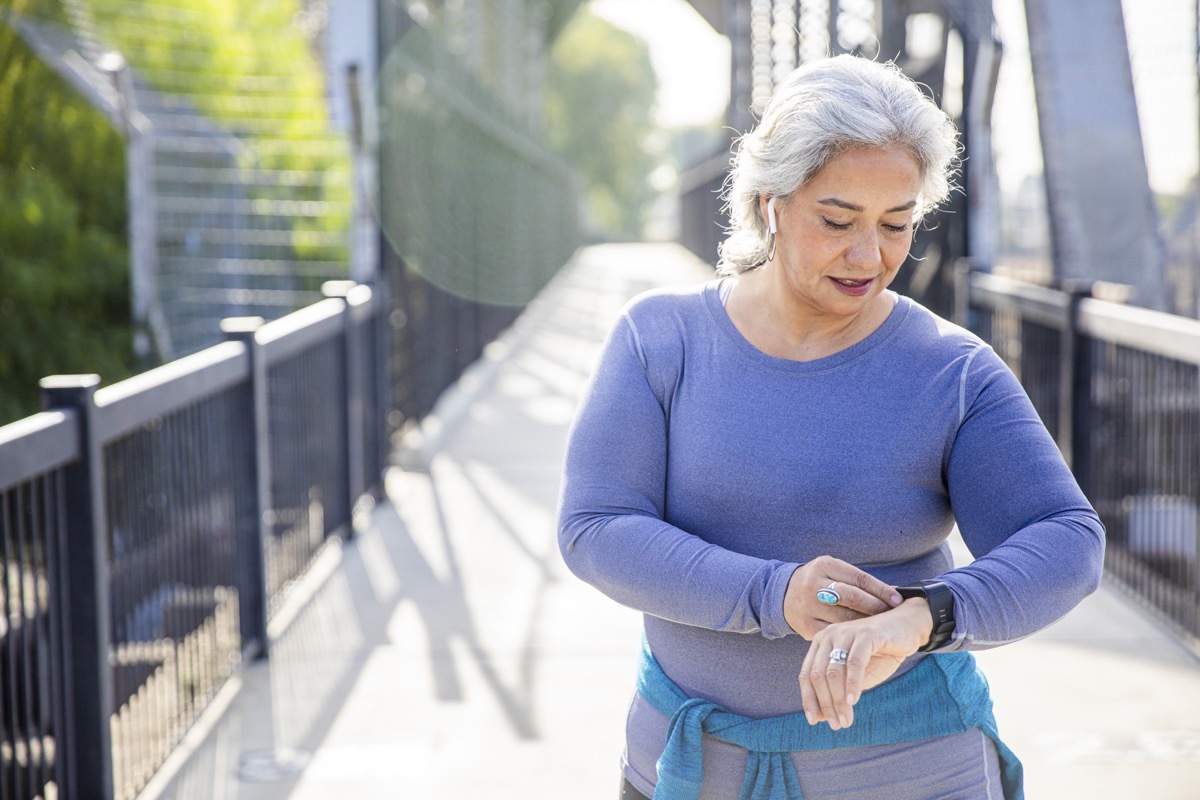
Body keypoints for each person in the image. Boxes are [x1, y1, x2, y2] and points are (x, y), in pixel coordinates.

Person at [557, 54, 1105, 800]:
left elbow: (1067, 538)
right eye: (837, 220)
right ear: (768, 203)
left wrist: (918, 619)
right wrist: (775, 594)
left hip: (912, 773)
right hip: (688, 771)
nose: (868, 255)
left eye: (896, 224)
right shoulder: (660, 341)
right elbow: (596, 526)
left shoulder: (952, 371)